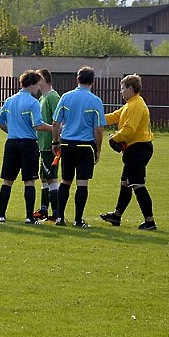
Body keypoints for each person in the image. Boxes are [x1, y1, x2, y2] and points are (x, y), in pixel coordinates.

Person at [0, 70, 53, 223]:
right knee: (29, 181)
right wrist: (54, 128)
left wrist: (12, 130)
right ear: (32, 84)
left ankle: (2, 215)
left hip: (12, 143)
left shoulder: (10, 100)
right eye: (38, 85)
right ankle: (29, 217)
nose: (38, 88)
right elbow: (38, 125)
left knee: (7, 180)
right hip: (28, 144)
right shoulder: (33, 102)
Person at [100, 74, 157, 230]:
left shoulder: (136, 105)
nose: (121, 91)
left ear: (130, 88)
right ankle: (116, 216)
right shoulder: (131, 104)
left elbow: (129, 130)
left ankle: (150, 222)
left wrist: (114, 138)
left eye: (122, 88)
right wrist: (95, 118)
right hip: (135, 148)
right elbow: (115, 116)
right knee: (125, 183)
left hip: (139, 148)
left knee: (137, 185)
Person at [52, 66, 106, 227]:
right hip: (85, 145)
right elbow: (98, 129)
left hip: (67, 143)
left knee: (65, 180)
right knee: (82, 182)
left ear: (77, 79)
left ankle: (60, 217)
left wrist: (55, 142)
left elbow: (56, 122)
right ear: (93, 82)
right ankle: (78, 220)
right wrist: (98, 149)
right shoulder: (95, 101)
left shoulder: (66, 97)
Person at [34, 69, 61, 221]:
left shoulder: (53, 97)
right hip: (42, 144)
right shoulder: (42, 98)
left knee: (51, 177)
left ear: (44, 79)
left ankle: (56, 213)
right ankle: (44, 209)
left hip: (51, 145)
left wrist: (56, 141)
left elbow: (59, 120)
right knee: (44, 177)